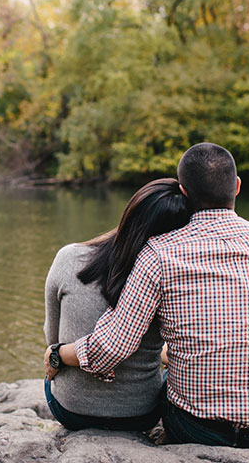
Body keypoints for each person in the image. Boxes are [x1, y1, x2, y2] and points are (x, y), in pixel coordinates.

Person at [45, 143, 249, 450]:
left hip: (196, 428)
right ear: (237, 185)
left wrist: (58, 354)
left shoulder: (159, 254)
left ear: (184, 192)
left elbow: (111, 348)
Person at [44, 178, 190, 431]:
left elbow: (52, 337)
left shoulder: (69, 257)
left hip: (71, 410)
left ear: (130, 213)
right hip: (141, 414)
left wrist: (57, 355)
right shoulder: (174, 276)